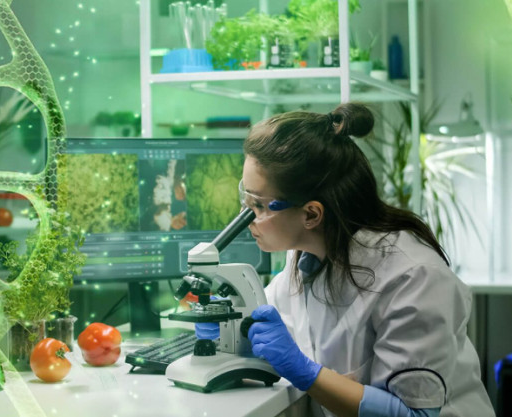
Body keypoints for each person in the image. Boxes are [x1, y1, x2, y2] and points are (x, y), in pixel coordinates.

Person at [197, 103, 495, 417]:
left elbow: (417, 414)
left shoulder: (413, 277)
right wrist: (226, 326)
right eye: (245, 196)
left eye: (258, 205)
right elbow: (266, 325)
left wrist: (305, 372)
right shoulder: (304, 259)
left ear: (311, 214)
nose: (246, 217)